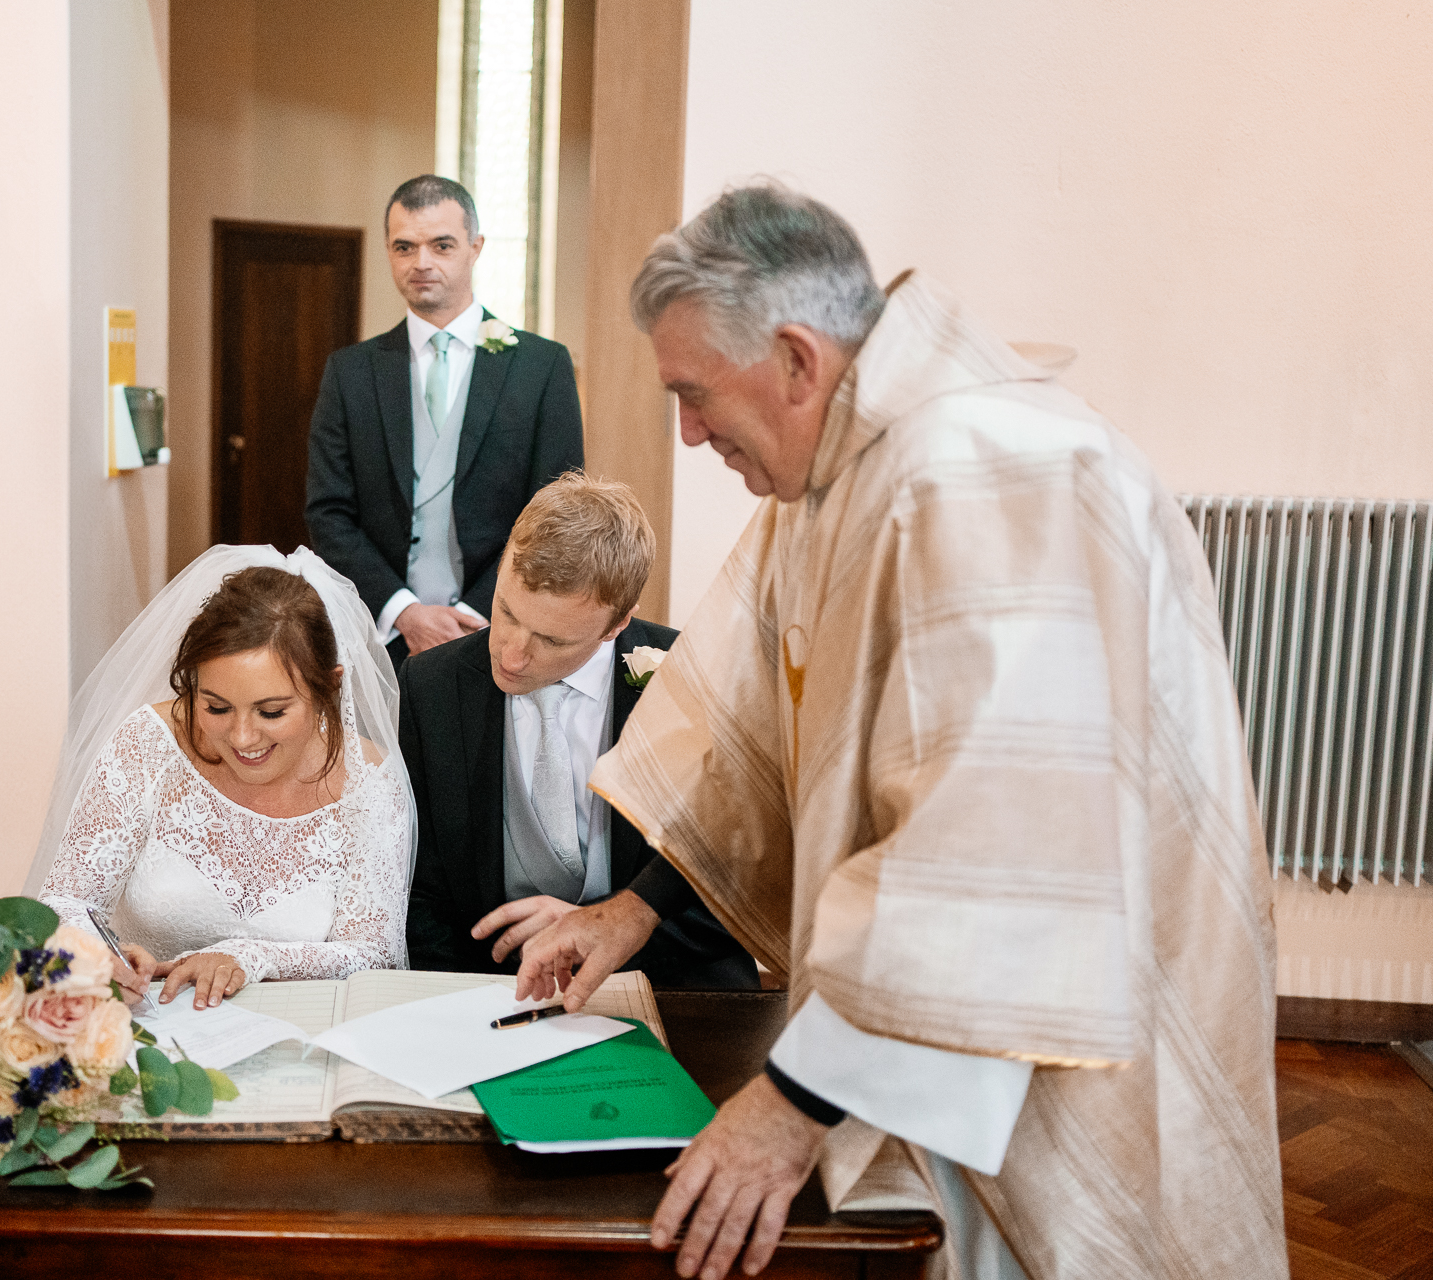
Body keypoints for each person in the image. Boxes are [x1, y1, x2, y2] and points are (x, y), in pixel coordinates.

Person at [514, 184, 1285, 1280]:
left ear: (794, 357)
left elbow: (996, 840)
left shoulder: (986, 466)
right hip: (919, 1032)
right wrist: (633, 906)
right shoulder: (835, 471)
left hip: (1054, 1045)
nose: (686, 432)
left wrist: (789, 1108)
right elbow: (744, 730)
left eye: (693, 393)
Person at [400, 473, 755, 988]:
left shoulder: (696, 678)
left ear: (617, 624)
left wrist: (607, 930)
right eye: (506, 612)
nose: (512, 655)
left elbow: (733, 894)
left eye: (552, 639)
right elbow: (420, 894)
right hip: (493, 988)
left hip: (667, 980)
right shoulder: (429, 685)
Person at [25, 546, 413, 1011]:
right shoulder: (148, 745)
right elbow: (64, 902)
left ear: (328, 686)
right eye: (216, 707)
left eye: (271, 711)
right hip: (150, 1025)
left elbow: (375, 954)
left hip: (302, 1031)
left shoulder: (369, 783)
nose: (242, 737)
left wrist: (248, 957)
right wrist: (100, 951)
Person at [305, 174, 584, 665]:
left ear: (475, 247)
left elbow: (556, 515)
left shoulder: (542, 367)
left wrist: (478, 612)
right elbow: (328, 512)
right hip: (379, 635)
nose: (422, 263)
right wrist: (405, 611)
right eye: (404, 247)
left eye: (442, 245)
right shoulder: (350, 372)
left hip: (499, 629)